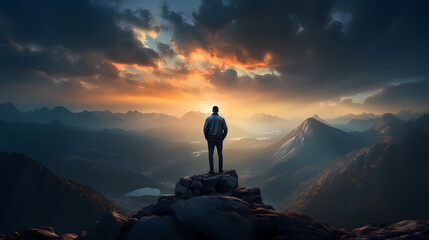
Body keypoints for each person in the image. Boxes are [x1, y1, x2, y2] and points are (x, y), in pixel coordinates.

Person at [203, 106, 228, 174]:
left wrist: (206, 137)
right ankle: (220, 169)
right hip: (219, 137)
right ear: (218, 111)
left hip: (210, 137)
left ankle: (211, 170)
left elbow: (205, 129)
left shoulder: (208, 119)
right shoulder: (222, 119)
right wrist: (223, 137)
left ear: (212, 110)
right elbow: (225, 129)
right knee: (220, 154)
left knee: (211, 154)